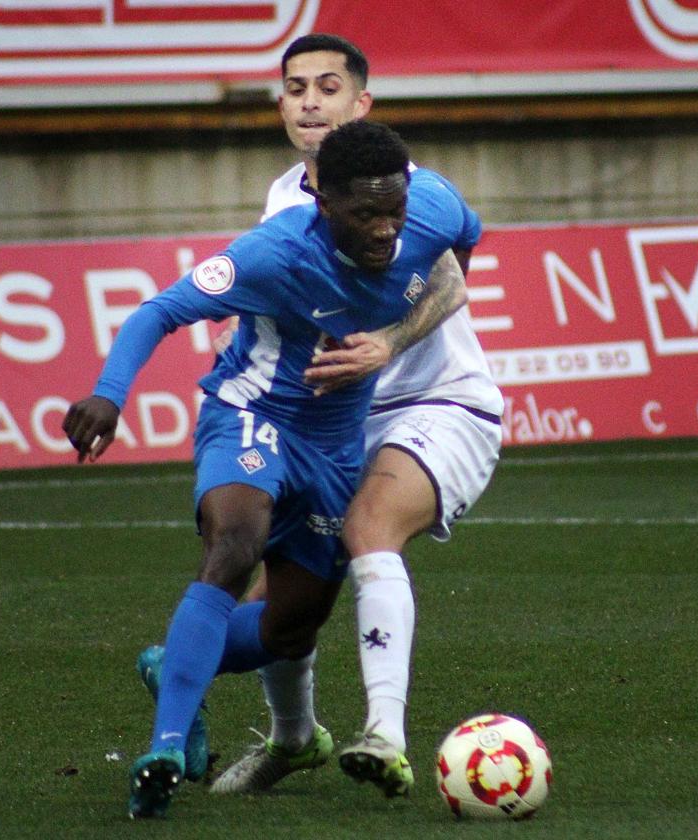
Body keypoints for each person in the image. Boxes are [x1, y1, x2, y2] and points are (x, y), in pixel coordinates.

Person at [63, 120, 476, 818]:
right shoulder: (273, 254)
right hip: (253, 413)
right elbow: (159, 312)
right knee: (234, 545)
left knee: (292, 629)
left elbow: (459, 253)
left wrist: (398, 333)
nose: (385, 231)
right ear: (323, 204)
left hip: (337, 447)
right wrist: (109, 394)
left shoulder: (433, 207)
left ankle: (177, 671)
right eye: (365, 215)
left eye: (394, 213)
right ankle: (165, 747)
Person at [210, 34, 504, 799]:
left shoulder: (406, 186)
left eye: (329, 86)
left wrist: (392, 338)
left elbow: (454, 278)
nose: (311, 100)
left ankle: (387, 736)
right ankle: (294, 739)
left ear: (361, 103)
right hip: (339, 425)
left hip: (442, 403)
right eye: (296, 86)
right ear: (280, 105)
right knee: (281, 598)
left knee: (369, 527)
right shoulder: (280, 205)